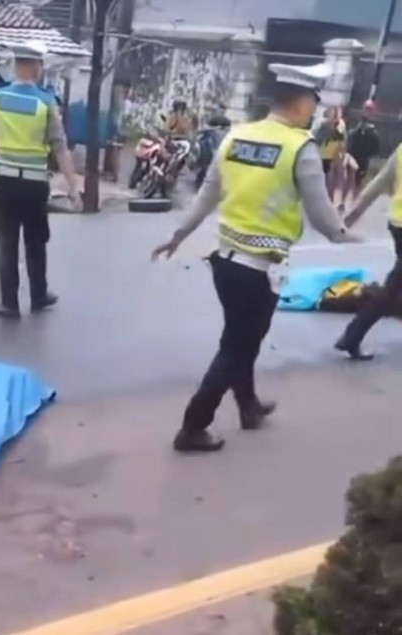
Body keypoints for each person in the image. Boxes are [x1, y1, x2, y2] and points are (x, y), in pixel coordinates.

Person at [151, 63, 361, 453]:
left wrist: (176, 236)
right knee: (238, 346)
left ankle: (248, 406)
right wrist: (348, 234)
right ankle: (193, 426)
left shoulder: (236, 135)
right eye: (314, 104)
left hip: (225, 262)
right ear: (301, 104)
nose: (314, 113)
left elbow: (207, 194)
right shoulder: (301, 147)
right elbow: (322, 215)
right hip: (259, 270)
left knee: (241, 338)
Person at [0, 40, 81, 319]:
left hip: (4, 182)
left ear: (14, 65)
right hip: (34, 184)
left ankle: (9, 303)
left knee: (8, 242)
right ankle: (38, 295)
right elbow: (60, 146)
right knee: (36, 240)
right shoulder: (47, 103)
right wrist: (73, 188)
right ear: (36, 68)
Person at [335, 144, 402, 360]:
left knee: (396, 284)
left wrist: (355, 212)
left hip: (398, 223)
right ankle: (352, 337)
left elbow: (380, 182)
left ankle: (352, 337)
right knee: (393, 288)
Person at [339, 110, 380, 209]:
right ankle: (343, 201)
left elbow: (375, 148)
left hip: (361, 159)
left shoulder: (371, 134)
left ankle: (352, 202)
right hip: (356, 158)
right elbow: (349, 145)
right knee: (350, 180)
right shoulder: (356, 132)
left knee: (356, 181)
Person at [315, 106, 346, 199]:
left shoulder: (339, 127)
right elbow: (317, 139)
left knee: (330, 179)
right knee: (321, 178)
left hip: (331, 157)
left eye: (335, 114)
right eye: (332, 114)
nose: (334, 117)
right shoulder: (321, 125)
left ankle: (329, 198)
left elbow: (341, 142)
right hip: (320, 156)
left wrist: (341, 156)